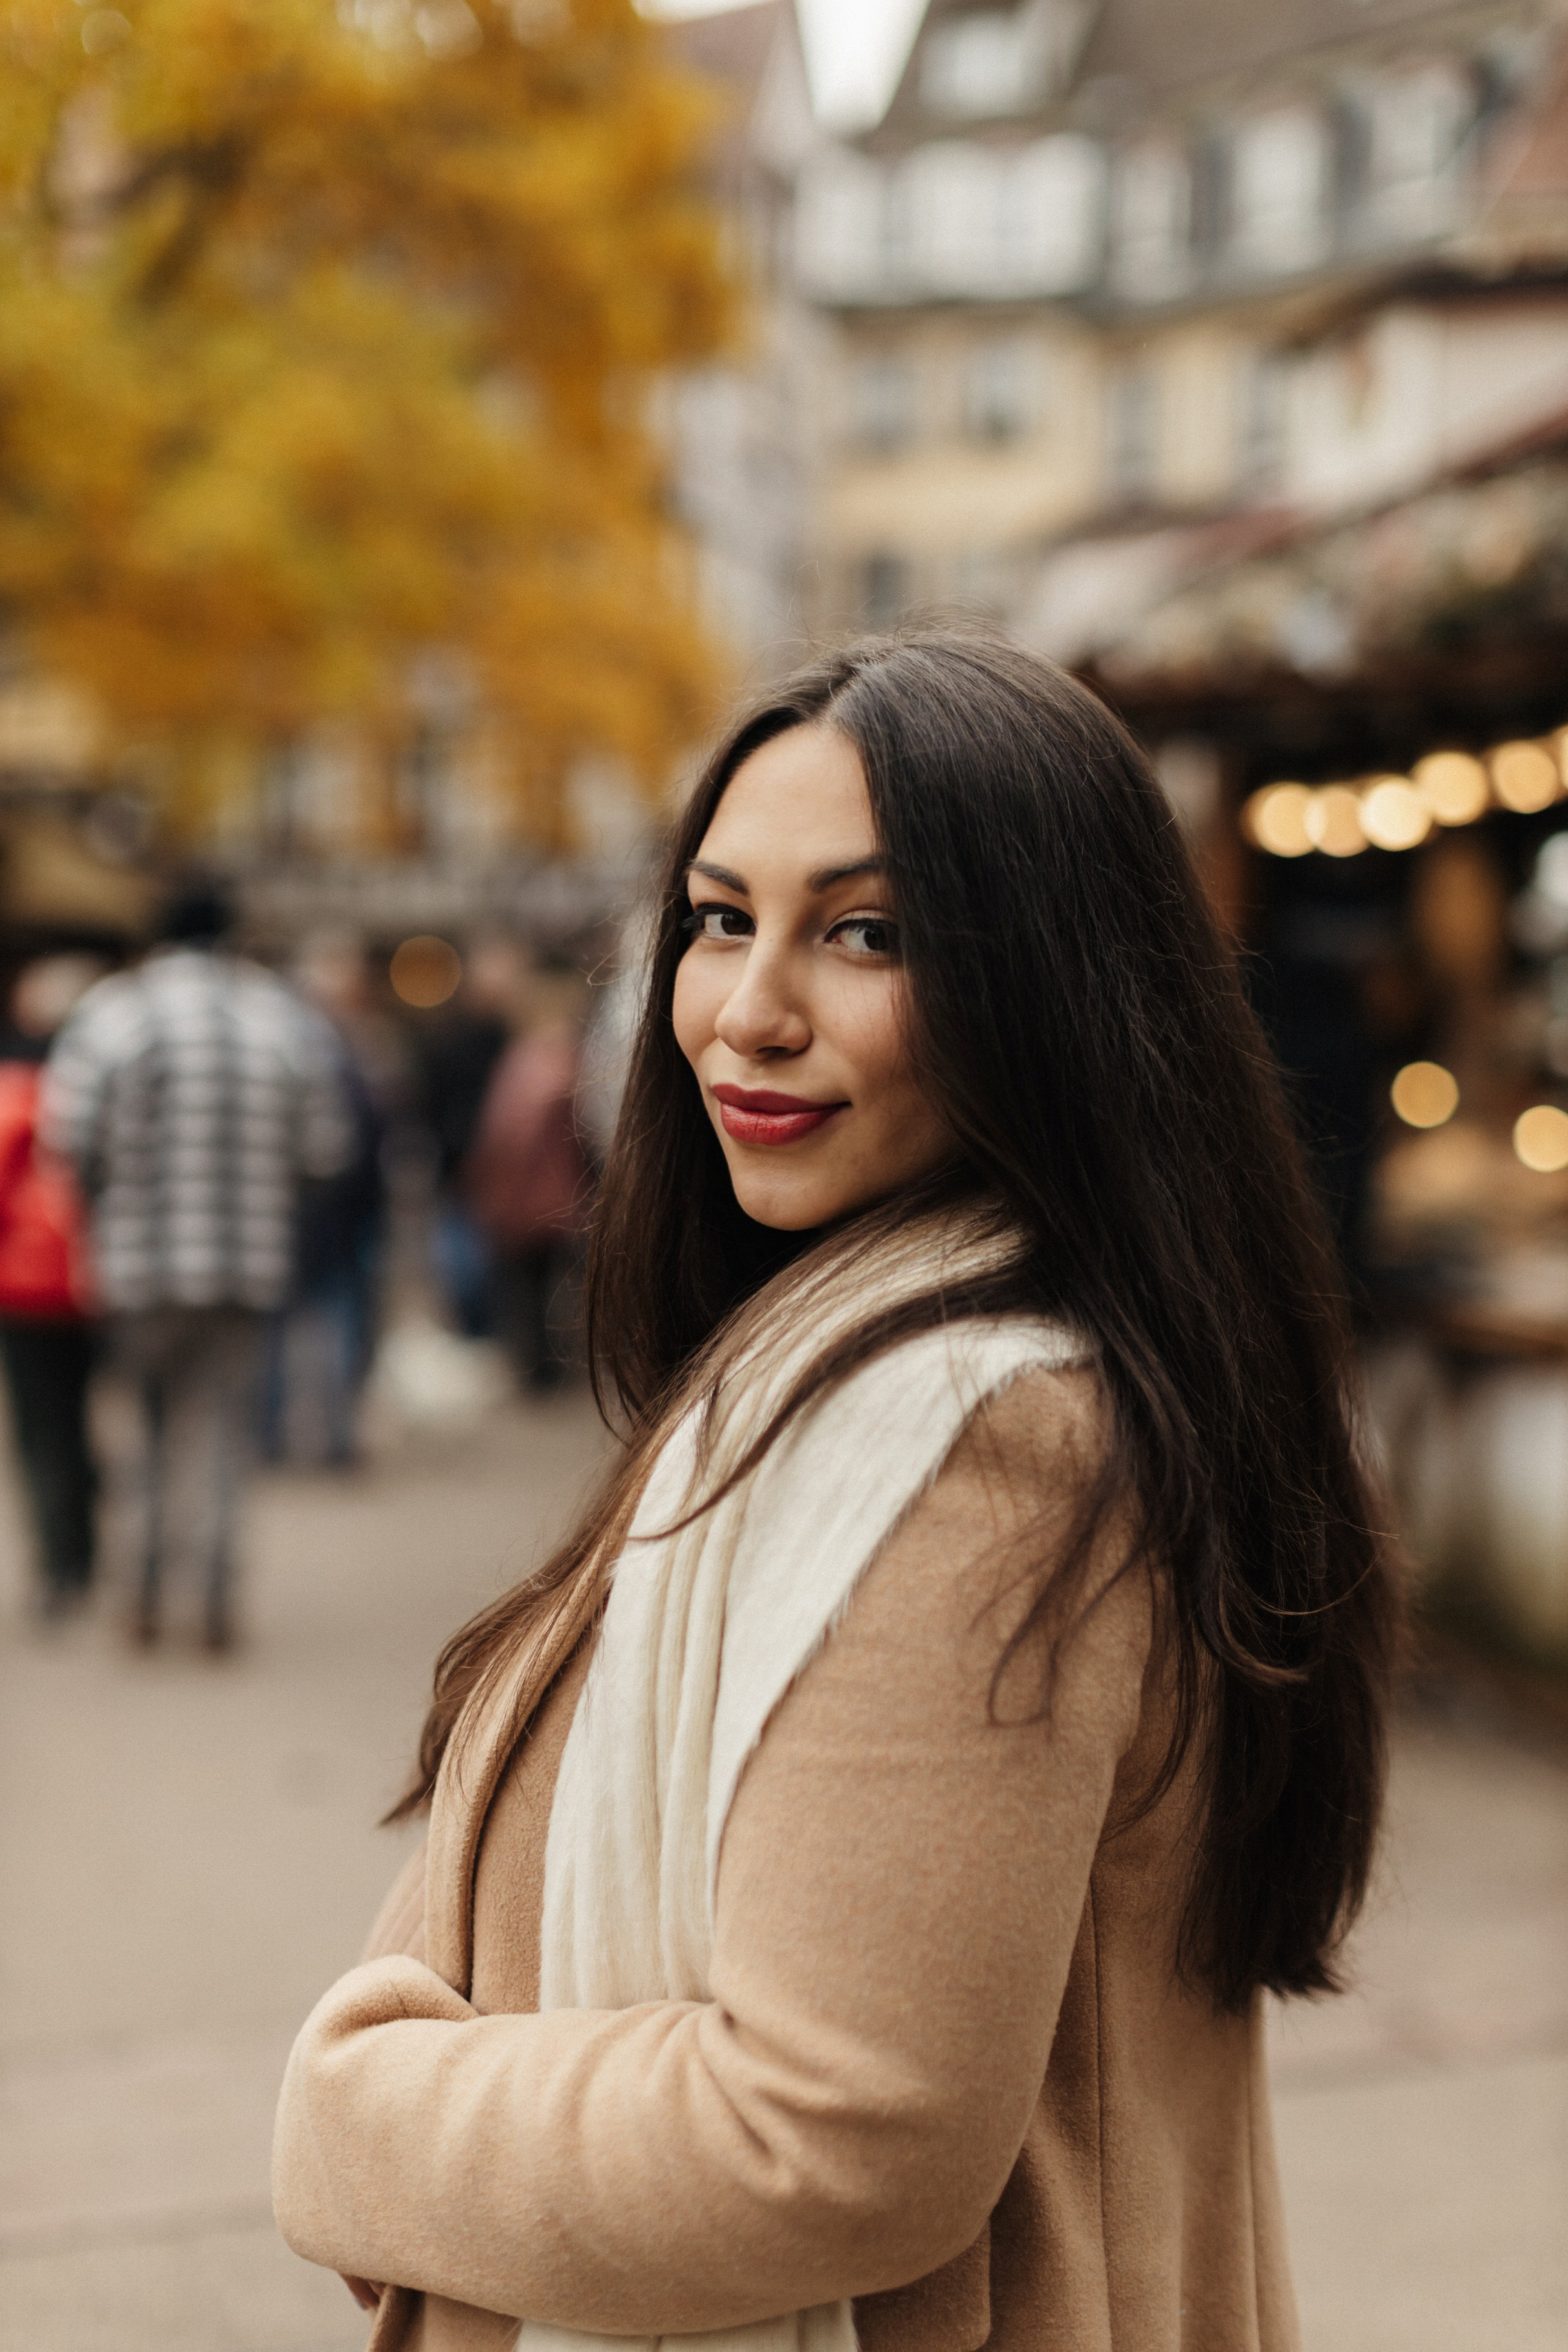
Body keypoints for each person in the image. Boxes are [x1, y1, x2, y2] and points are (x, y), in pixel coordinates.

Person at [274, 631, 1401, 2351]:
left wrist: (357, 2118)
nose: (750, 1010)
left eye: (867, 933)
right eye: (721, 919)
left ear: (1053, 986)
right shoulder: (883, 1359)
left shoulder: (972, 1440)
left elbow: (829, 2135)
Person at [42, 884, 350, 1649]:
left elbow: (67, 1135)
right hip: (246, 1264)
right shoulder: (278, 1016)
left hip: (139, 1265)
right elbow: (325, 1148)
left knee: (142, 1426)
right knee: (221, 1429)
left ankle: (144, 1595)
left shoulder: (116, 1012)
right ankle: (213, 1597)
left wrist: (114, 1194)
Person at [0, 957, 103, 1617]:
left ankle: (62, 1562)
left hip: (26, 1284)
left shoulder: (12, 1088)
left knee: (43, 1426)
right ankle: (87, 1542)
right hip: (99, 1276)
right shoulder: (100, 1080)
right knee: (91, 1414)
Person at [462, 973, 590, 1392]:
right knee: (544, 1285)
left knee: (530, 1288)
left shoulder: (535, 1060)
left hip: (532, 1192)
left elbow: (510, 1134)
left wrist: (492, 1182)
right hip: (553, 1189)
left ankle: (539, 1371)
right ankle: (545, 1367)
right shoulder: (565, 1058)